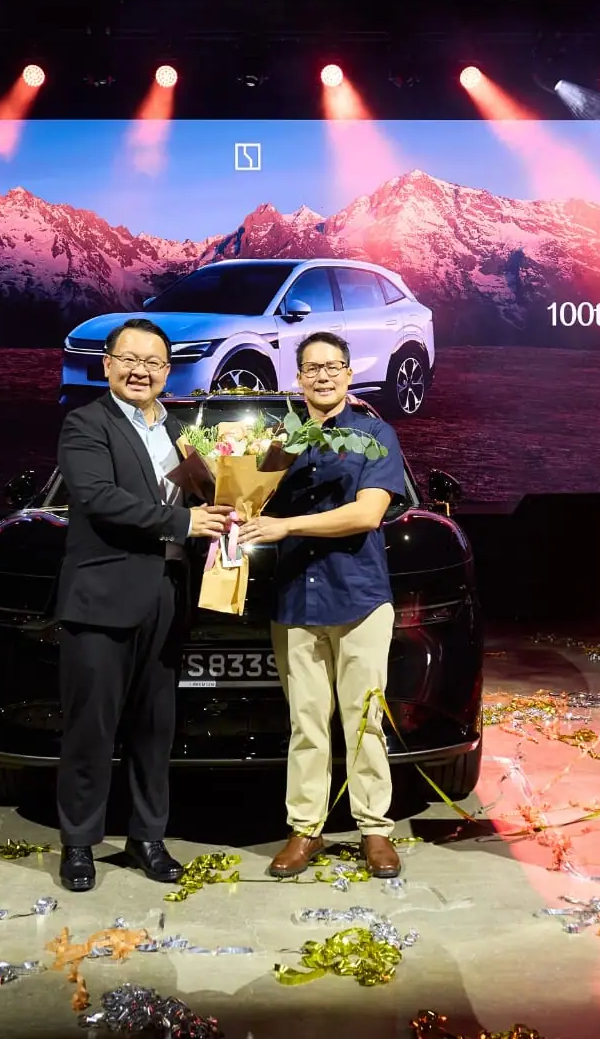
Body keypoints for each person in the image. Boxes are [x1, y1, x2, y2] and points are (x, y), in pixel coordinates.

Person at [53, 317, 231, 892]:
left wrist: (236, 500)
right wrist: (184, 521)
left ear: (168, 371)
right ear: (106, 365)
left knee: (156, 729)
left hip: (167, 594)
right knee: (91, 728)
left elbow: (210, 493)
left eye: (153, 362)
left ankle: (147, 838)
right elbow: (98, 497)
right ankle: (80, 843)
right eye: (129, 360)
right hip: (102, 598)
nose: (141, 371)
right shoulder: (86, 423)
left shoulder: (179, 429)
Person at [237, 332, 409, 879]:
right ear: (298, 378)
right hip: (295, 598)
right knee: (306, 723)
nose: (323, 376)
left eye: (333, 366)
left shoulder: (375, 434)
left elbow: (367, 514)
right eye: (312, 368)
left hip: (359, 597)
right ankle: (305, 829)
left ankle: (374, 829)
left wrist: (286, 525)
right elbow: (245, 499)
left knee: (364, 719)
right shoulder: (279, 441)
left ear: (349, 374)